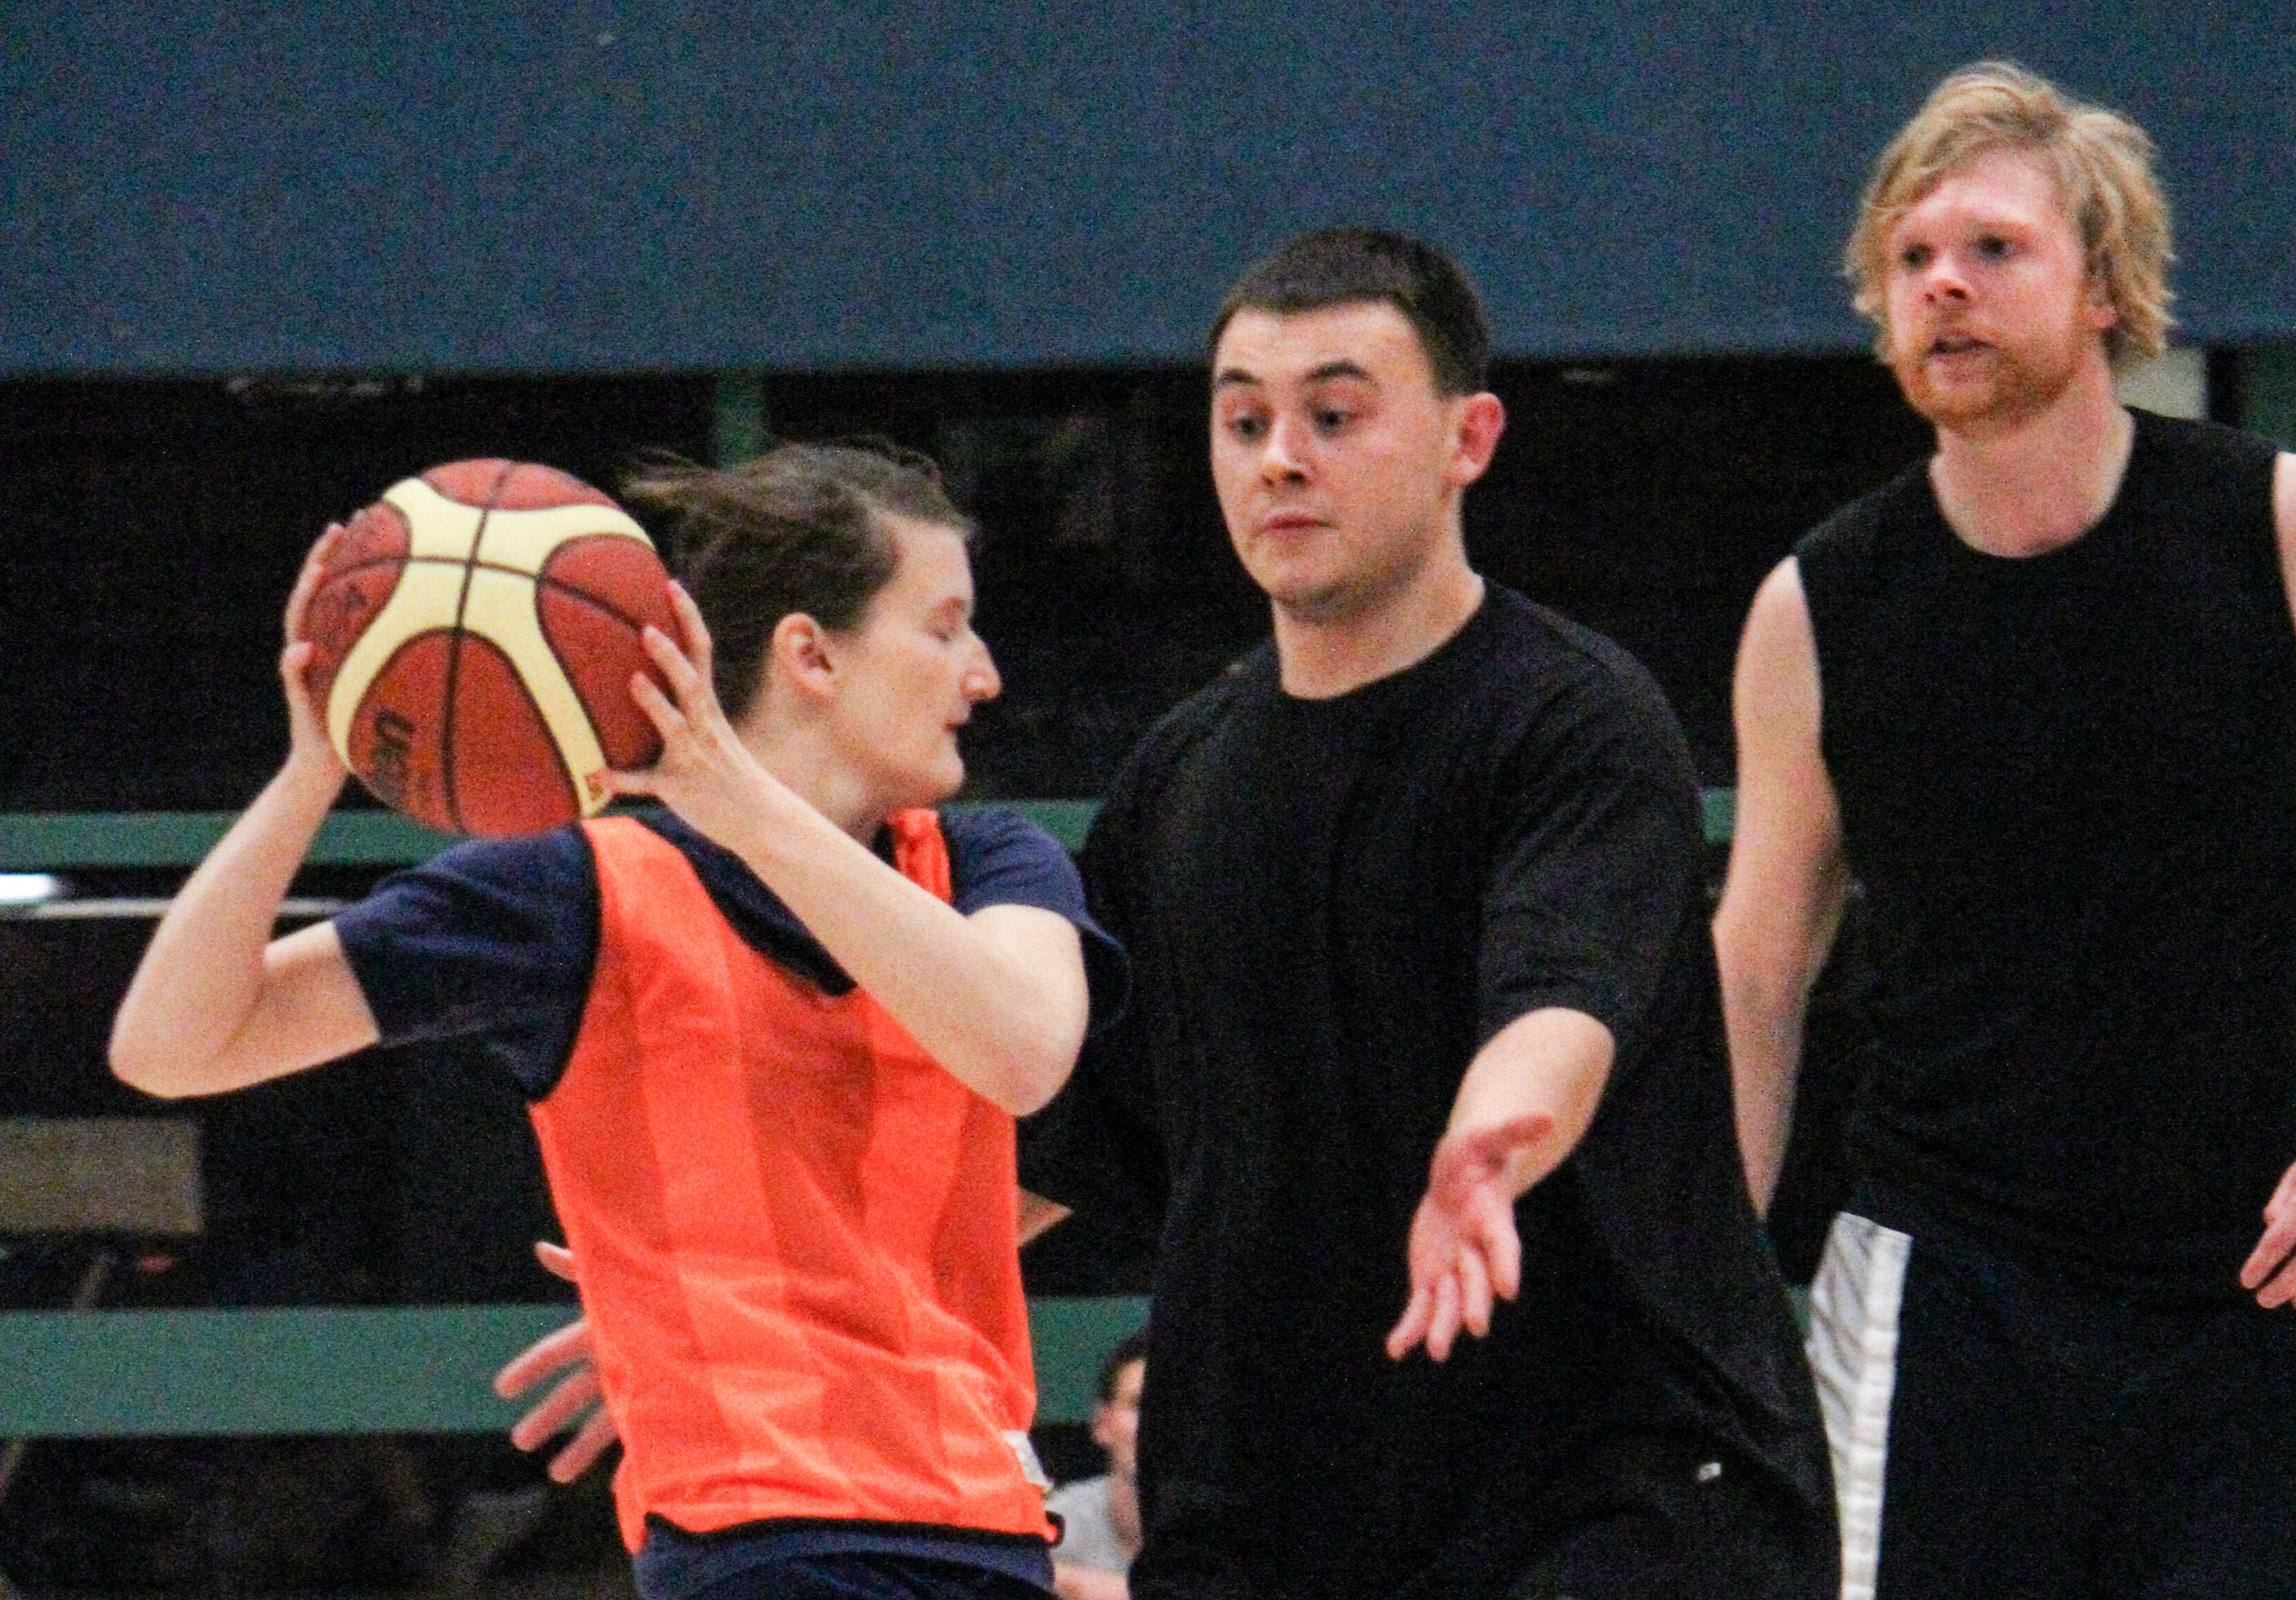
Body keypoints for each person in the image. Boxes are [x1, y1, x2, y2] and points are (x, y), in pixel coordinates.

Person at [110, 442, 1126, 1600]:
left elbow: (1023, 1050)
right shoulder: (580, 892)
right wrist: (313, 769)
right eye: (944, 629)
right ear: (810, 655)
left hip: (986, 1529)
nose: (983, 674)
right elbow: (172, 1045)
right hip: (764, 1538)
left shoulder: (990, 864)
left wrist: (742, 806)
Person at [1016, 229, 1836, 1599]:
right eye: (1243, 421)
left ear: (1469, 437)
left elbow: (1561, 998)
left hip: (1601, 1493)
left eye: (1334, 415)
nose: (1280, 457)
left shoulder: (1574, 721)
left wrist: (1484, 1143)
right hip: (1273, 1507)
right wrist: (800, 1300)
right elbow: (1074, 1133)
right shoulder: (1178, 781)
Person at [1715, 62, 2296, 1600]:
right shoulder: (1817, 604)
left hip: (2242, 1283)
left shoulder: (2282, 526)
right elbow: (1754, 970)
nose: (1941, 284)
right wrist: (1696, 1287)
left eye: (1991, 247)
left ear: (2102, 284)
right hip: (1937, 1287)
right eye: (1908, 258)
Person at [1046, 1329, 1146, 1600]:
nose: (1155, 1423)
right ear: (1103, 1423)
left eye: (1172, 1409)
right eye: (1139, 1405)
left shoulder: (1226, 1532)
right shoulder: (1058, 1525)